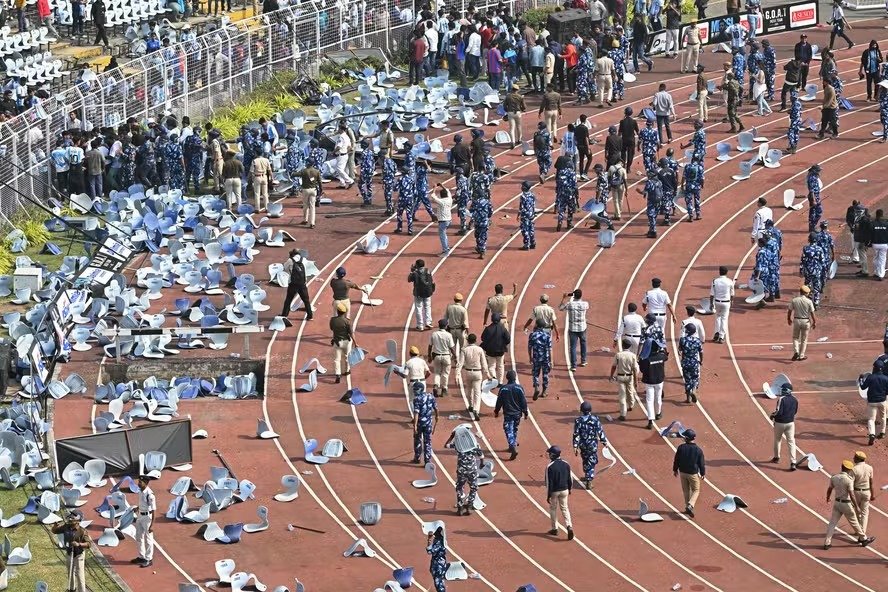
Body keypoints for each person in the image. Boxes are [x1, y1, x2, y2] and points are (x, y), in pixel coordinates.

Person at [824, 460, 875, 550]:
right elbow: (851, 494)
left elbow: (829, 489)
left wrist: (828, 498)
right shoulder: (849, 480)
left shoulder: (834, 477)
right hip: (846, 504)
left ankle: (827, 542)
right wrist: (857, 506)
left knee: (832, 523)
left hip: (837, 503)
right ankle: (863, 538)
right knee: (854, 522)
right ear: (848, 470)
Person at [52, 510, 91, 592]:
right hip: (69, 553)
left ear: (78, 520)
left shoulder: (82, 531)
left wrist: (79, 544)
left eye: (73, 516)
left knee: (80, 575)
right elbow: (54, 531)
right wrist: (55, 526)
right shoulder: (66, 527)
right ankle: (72, 589)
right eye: (71, 515)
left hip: (78, 555)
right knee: (70, 572)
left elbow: (88, 544)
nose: (70, 517)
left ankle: (81, 590)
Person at [572, 401, 608, 489]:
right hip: (592, 444)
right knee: (592, 461)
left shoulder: (578, 420)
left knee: (585, 459)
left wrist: (575, 446)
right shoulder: (595, 419)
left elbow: (576, 434)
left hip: (583, 445)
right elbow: (600, 431)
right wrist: (604, 442)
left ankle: (587, 475)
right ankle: (589, 479)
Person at [494, 370, 528, 460]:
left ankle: (512, 446)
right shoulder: (519, 388)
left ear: (507, 378)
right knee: (514, 429)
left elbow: (499, 402)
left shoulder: (503, 389)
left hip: (508, 413)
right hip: (517, 414)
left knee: (508, 430)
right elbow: (523, 401)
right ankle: (512, 444)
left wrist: (496, 411)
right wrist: (525, 412)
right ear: (515, 377)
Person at [673, 429, 705, 518]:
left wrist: (675, 469)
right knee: (696, 490)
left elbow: (676, 459)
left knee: (686, 490)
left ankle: (687, 506)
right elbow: (701, 463)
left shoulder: (681, 447)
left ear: (686, 438)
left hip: (682, 472)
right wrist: (702, 473)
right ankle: (690, 505)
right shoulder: (698, 450)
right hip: (693, 473)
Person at [545, 445, 574, 539]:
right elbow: (570, 478)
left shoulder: (549, 467)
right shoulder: (566, 464)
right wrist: (569, 489)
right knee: (565, 509)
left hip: (554, 491)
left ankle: (555, 529)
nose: (549, 455)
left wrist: (548, 495)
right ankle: (569, 526)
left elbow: (549, 482)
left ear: (553, 455)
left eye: (550, 453)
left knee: (553, 509)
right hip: (565, 489)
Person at [769, 382, 798, 471]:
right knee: (791, 442)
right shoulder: (795, 399)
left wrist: (772, 415)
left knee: (778, 440)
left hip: (780, 423)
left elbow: (779, 412)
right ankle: (793, 462)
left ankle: (776, 457)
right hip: (790, 423)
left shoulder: (781, 399)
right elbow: (795, 411)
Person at [461, 333, 490, 421]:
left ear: (468, 340)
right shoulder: (480, 349)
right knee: (477, 392)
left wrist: (457, 373)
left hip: (468, 371)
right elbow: (484, 363)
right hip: (478, 372)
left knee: (469, 390)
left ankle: (470, 405)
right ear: (475, 340)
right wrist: (487, 374)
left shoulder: (464, 350)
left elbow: (460, 363)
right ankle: (476, 410)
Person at [610, 338, 640, 420]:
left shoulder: (618, 355)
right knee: (630, 391)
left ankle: (623, 414)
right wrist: (636, 381)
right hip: (629, 376)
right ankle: (631, 405)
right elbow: (635, 369)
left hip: (620, 376)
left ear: (622, 346)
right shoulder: (633, 356)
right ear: (630, 346)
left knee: (622, 395)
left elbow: (614, 366)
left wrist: (611, 376)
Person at [640, 341, 667, 429]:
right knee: (658, 397)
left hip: (649, 381)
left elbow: (642, 370)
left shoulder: (646, 359)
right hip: (659, 381)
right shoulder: (662, 356)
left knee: (649, 400)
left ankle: (650, 420)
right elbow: (666, 356)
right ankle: (658, 413)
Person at [560, 289, 589, 372]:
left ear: (573, 295)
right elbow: (586, 307)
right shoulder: (585, 304)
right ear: (581, 295)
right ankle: (583, 361)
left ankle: (573, 365)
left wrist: (564, 298)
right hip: (582, 327)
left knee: (573, 347)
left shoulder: (569, 304)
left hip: (572, 328)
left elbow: (560, 308)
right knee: (583, 343)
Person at [281, 249, 312, 320]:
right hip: (302, 283)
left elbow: (285, 268)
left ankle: (284, 315)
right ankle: (310, 315)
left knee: (288, 299)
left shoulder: (290, 260)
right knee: (306, 300)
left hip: (293, 284)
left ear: (292, 254)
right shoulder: (303, 259)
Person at [787, 285, 816, 361]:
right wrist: (814, 322)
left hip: (797, 320)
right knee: (804, 339)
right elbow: (812, 313)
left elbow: (789, 311)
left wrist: (789, 319)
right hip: (806, 321)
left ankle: (796, 352)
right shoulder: (809, 301)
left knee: (795, 337)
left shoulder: (794, 300)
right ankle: (801, 355)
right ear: (806, 293)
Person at [412, 382, 438, 464]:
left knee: (417, 440)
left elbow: (416, 413)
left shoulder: (417, 399)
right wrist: (437, 416)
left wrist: (415, 425)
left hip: (420, 423)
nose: (414, 391)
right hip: (428, 423)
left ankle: (417, 457)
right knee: (428, 442)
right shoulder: (431, 396)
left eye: (415, 389)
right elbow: (436, 408)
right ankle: (427, 460)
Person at [330, 303, 357, 383]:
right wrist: (356, 343)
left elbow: (331, 328)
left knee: (337, 359)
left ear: (337, 311)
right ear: (344, 312)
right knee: (347, 356)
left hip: (337, 342)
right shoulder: (347, 321)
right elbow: (351, 333)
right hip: (346, 341)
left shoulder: (333, 320)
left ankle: (337, 374)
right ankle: (347, 370)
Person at [428, 319, 455, 397]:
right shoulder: (448, 335)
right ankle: (444, 389)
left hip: (436, 356)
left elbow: (430, 346)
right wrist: (455, 357)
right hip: (446, 356)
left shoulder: (434, 334)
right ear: (446, 326)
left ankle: (436, 385)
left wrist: (429, 356)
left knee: (437, 373)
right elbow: (451, 347)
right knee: (445, 373)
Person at [481, 313, 511, 384]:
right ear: (499, 319)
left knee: (491, 366)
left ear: (491, 319)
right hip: (500, 350)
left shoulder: (488, 329)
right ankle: (500, 382)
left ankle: (493, 377)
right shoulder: (503, 328)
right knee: (500, 366)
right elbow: (508, 339)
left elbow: (483, 338)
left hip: (490, 351)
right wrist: (503, 344)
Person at [861, 366, 888, 444]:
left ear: (874, 368)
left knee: (871, 419)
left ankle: (872, 434)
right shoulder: (886, 378)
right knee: (883, 417)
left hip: (872, 402)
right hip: (882, 401)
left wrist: (861, 379)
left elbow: (863, 387)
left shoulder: (870, 377)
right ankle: (882, 433)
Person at [133, 475, 156, 567]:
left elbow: (153, 510)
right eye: (138, 481)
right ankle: (141, 556)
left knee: (149, 539)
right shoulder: (140, 491)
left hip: (147, 518)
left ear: (145, 483)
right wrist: (138, 508)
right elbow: (142, 503)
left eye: (140, 482)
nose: (138, 483)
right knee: (139, 537)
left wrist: (152, 525)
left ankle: (149, 559)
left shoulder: (150, 495)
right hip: (140, 515)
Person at [678, 324, 703, 404]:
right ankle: (694, 391)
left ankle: (688, 398)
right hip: (694, 362)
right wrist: (701, 360)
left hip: (685, 362)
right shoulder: (697, 340)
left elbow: (680, 349)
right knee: (695, 378)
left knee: (687, 379)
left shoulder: (682, 340)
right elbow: (701, 352)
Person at [408, 259, 436, 331]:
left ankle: (420, 325)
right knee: (427, 307)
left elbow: (409, 280)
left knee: (418, 308)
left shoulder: (415, 273)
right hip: (428, 292)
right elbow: (431, 280)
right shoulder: (428, 271)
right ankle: (428, 322)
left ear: (417, 265)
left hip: (418, 293)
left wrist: (412, 271)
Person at [709, 266, 734, 343]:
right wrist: (732, 302)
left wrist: (711, 303)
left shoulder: (714, 281)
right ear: (726, 272)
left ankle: (717, 332)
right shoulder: (730, 281)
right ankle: (722, 336)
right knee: (724, 319)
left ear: (719, 272)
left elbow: (712, 294)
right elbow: (732, 294)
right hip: (726, 302)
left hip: (717, 302)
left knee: (717, 317)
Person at [851, 451, 875, 532]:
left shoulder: (854, 469)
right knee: (865, 513)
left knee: (856, 511)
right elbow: (871, 482)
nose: (853, 458)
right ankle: (862, 532)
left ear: (858, 459)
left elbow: (851, 483)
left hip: (856, 492)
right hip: (866, 492)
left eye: (854, 457)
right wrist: (872, 494)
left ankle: (858, 531)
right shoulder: (870, 468)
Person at [528, 325, 553, 400]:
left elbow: (529, 347)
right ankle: (544, 391)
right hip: (545, 358)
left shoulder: (532, 335)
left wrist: (530, 357)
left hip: (536, 358)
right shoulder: (547, 336)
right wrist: (551, 361)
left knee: (535, 374)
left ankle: (536, 387)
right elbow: (550, 349)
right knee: (545, 374)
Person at [471, 177, 493, 260]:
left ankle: (482, 250)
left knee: (477, 235)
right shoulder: (487, 202)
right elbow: (491, 211)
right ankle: (480, 248)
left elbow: (471, 211)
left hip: (477, 221)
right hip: (484, 221)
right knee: (482, 235)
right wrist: (487, 217)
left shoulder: (475, 202)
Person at [431, 185, 453, 256]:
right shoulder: (449, 199)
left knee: (442, 236)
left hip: (443, 221)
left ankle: (445, 251)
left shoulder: (442, 201)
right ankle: (446, 248)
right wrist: (442, 186)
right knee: (444, 234)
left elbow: (433, 196)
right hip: (449, 220)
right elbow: (448, 190)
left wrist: (434, 188)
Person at [517, 180, 537, 250]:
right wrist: (534, 213)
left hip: (525, 215)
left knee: (524, 229)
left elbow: (521, 207)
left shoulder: (522, 196)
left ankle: (526, 244)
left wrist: (518, 215)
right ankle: (533, 242)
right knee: (531, 228)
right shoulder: (532, 195)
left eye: (522, 186)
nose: (521, 187)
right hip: (531, 214)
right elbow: (534, 205)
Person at [619, 106, 639, 172]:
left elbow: (619, 133)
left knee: (623, 153)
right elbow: (638, 132)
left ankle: (623, 165)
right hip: (631, 140)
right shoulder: (634, 121)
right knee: (631, 154)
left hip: (624, 139)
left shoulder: (622, 121)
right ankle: (628, 167)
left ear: (625, 113)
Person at [871, 209, 888, 281]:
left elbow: (870, 234)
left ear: (876, 214)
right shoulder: (886, 224)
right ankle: (880, 275)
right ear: (882, 215)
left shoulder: (873, 223)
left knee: (875, 258)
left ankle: (876, 272)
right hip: (884, 244)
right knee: (882, 259)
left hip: (875, 244)